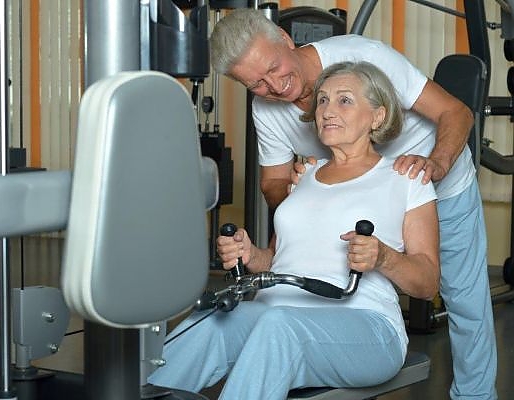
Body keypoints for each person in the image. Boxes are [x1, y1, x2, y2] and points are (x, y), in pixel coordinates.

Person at [209, 9, 497, 400]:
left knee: (464, 301)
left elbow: (455, 112)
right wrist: (300, 189)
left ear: (284, 38)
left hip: (436, 184)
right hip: (359, 203)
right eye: (255, 83)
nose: (274, 85)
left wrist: (436, 164)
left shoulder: (364, 58)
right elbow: (273, 183)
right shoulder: (267, 110)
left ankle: (477, 396)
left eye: (274, 66)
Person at [148, 61, 440, 400]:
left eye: (344, 100)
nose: (328, 111)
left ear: (377, 116)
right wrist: (250, 254)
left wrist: (384, 257)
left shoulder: (404, 178)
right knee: (214, 318)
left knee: (279, 325)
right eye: (323, 101)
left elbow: (428, 282)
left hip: (366, 326)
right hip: (275, 313)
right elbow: (278, 261)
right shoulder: (305, 176)